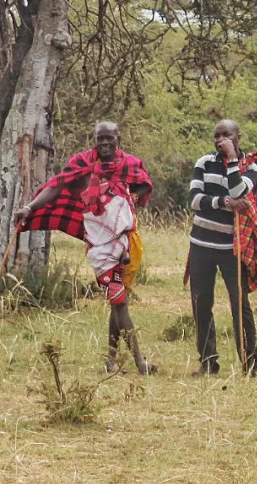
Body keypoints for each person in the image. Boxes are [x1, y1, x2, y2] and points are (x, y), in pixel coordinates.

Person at [13, 121, 157, 375]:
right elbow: (55, 186)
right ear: (94, 139)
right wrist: (30, 208)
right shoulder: (82, 164)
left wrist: (130, 199)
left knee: (117, 301)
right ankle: (140, 362)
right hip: (99, 247)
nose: (104, 143)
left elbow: (145, 183)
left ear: (118, 138)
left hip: (124, 242)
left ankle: (110, 361)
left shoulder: (129, 164)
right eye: (99, 138)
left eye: (109, 138)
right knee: (119, 302)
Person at [183, 118, 257, 377]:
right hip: (201, 244)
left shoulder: (253, 167)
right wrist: (224, 202)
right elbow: (194, 200)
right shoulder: (204, 163)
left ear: (238, 137)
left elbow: (239, 190)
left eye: (226, 135)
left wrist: (233, 160)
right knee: (201, 303)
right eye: (217, 135)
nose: (220, 140)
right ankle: (208, 362)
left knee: (240, 305)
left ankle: (251, 364)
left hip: (233, 248)